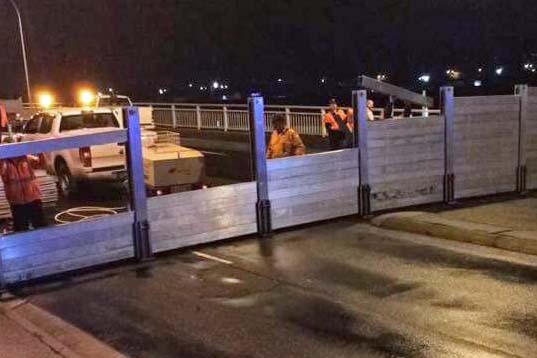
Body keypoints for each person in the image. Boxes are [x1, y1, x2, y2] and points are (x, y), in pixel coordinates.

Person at [0, 136, 47, 232]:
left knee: (41, 228)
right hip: (17, 202)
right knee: (21, 231)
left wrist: (40, 151)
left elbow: (42, 164)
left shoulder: (26, 158)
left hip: (33, 199)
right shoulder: (3, 163)